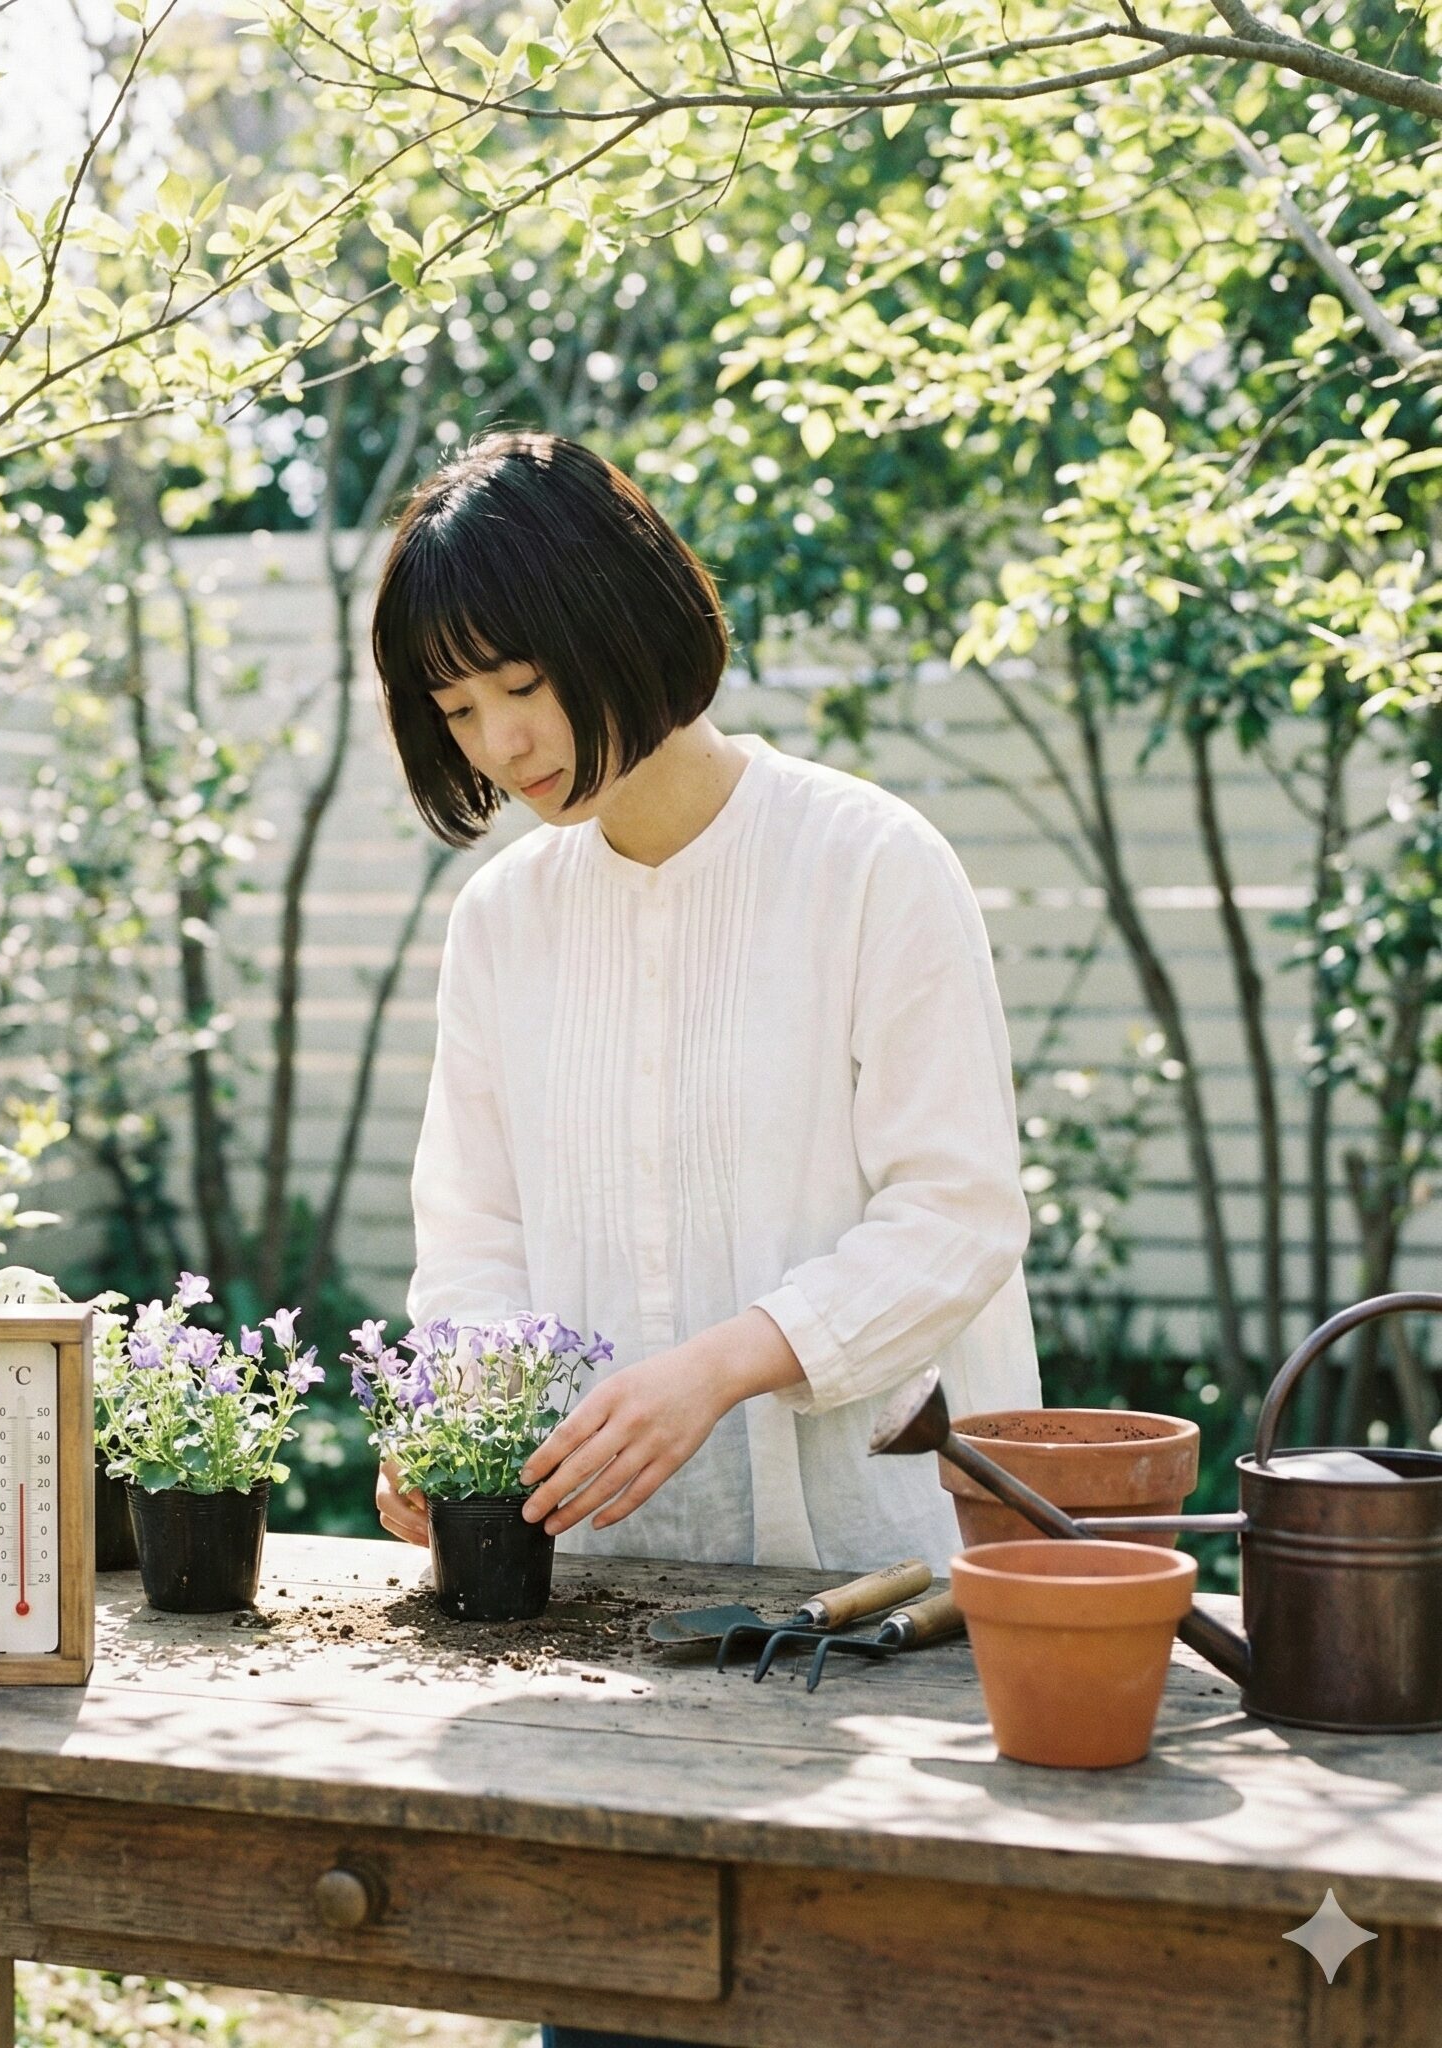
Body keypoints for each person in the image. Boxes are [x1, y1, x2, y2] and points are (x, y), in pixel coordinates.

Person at [367, 431, 1040, 2045]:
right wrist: (454, 1428)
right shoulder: (505, 924)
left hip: (890, 1607)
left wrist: (730, 1365)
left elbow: (959, 1212)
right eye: (455, 712)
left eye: (517, 682)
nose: (502, 741)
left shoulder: (871, 864)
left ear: (625, 617)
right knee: (617, 2015)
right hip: (614, 1629)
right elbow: (477, 1236)